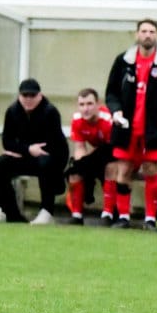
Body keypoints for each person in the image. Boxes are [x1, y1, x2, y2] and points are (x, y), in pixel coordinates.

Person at [104, 18, 157, 230]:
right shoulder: (123, 60)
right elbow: (111, 92)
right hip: (126, 127)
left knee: (151, 170)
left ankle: (150, 218)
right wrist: (116, 110)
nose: (147, 35)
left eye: (151, 31)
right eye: (144, 31)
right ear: (137, 34)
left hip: (153, 129)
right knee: (123, 170)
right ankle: (123, 216)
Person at [0, 79, 69, 225]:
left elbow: (53, 144)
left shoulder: (50, 112)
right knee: (1, 163)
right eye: (25, 96)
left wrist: (23, 149)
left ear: (40, 96)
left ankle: (47, 211)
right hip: (26, 156)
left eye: (32, 95)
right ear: (19, 96)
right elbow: (7, 141)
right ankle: (1, 210)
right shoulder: (12, 111)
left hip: (51, 157)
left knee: (45, 162)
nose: (28, 99)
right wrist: (27, 149)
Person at [65, 88, 117, 225]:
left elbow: (112, 150)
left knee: (109, 168)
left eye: (89, 104)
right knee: (74, 170)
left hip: (115, 153)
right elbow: (80, 148)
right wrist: (81, 167)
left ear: (98, 104)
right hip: (98, 154)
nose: (85, 109)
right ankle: (77, 215)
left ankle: (108, 214)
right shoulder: (77, 120)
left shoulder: (108, 120)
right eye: (82, 105)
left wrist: (89, 162)